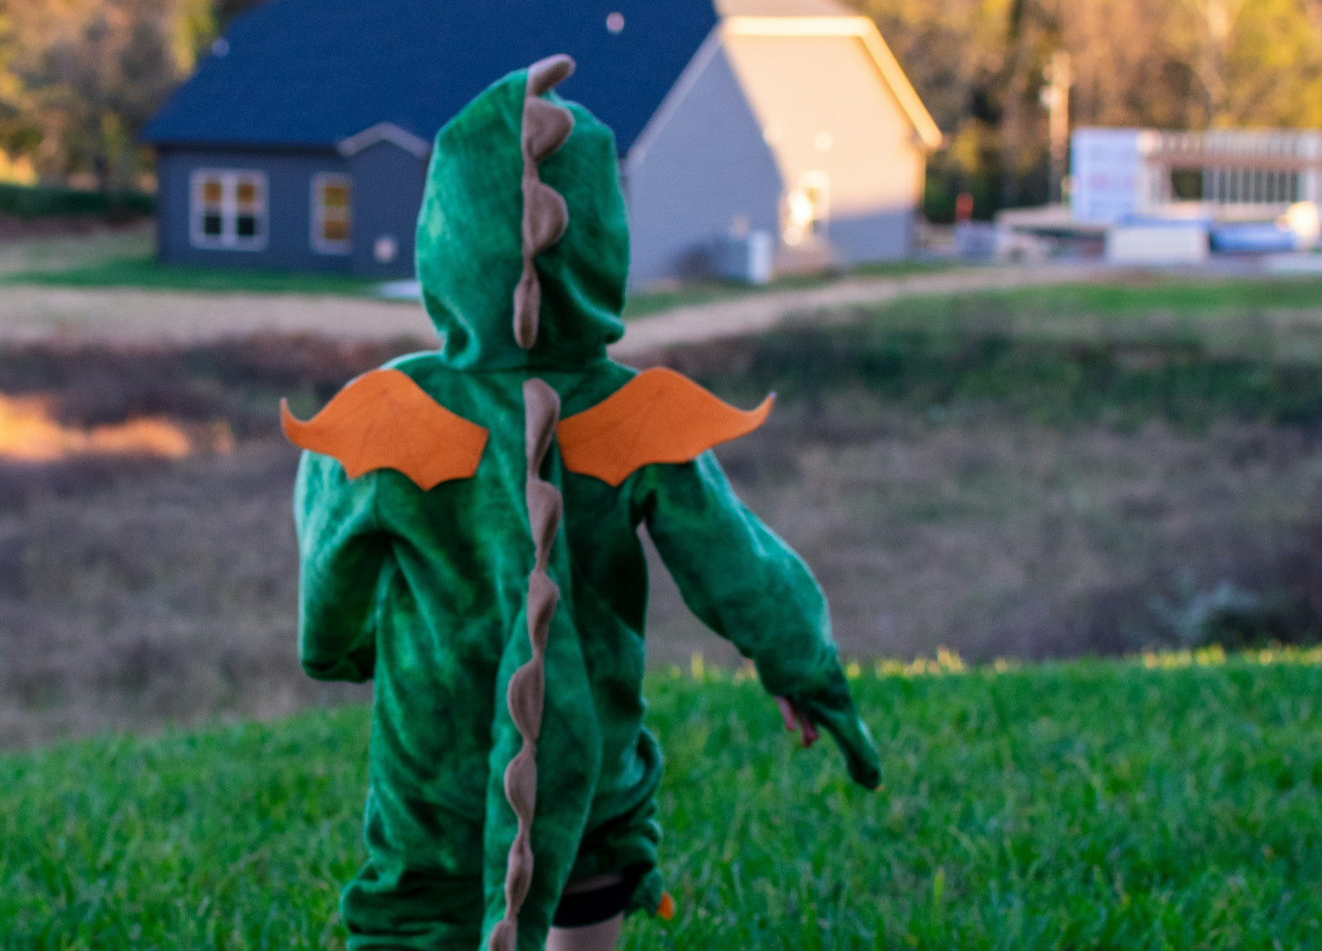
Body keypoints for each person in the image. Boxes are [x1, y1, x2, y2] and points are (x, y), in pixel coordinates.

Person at [283, 54, 881, 951]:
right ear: (604, 241)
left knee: (416, 914)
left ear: (445, 236)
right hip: (589, 764)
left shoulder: (387, 417)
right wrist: (805, 672)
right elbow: (739, 567)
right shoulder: (634, 416)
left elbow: (328, 599)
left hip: (430, 776)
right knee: (586, 876)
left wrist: (343, 653)